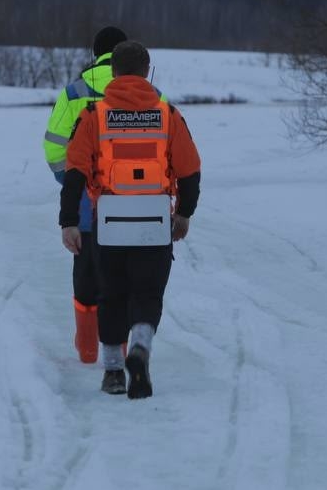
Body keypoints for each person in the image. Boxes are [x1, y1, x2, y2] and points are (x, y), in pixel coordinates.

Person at [59, 40, 201, 398]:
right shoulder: (168, 115)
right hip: (153, 222)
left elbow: (74, 170)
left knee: (112, 295)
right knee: (147, 292)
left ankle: (111, 373)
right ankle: (140, 346)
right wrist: (183, 214)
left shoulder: (94, 115)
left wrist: (69, 221)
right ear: (146, 72)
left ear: (115, 73)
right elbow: (190, 171)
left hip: (109, 221)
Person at [43, 26, 127, 363]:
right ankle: (119, 346)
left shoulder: (75, 92)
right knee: (124, 272)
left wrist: (71, 181)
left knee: (87, 267)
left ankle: (89, 348)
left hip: (87, 196)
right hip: (134, 198)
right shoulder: (149, 93)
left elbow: (53, 148)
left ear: (96, 54)